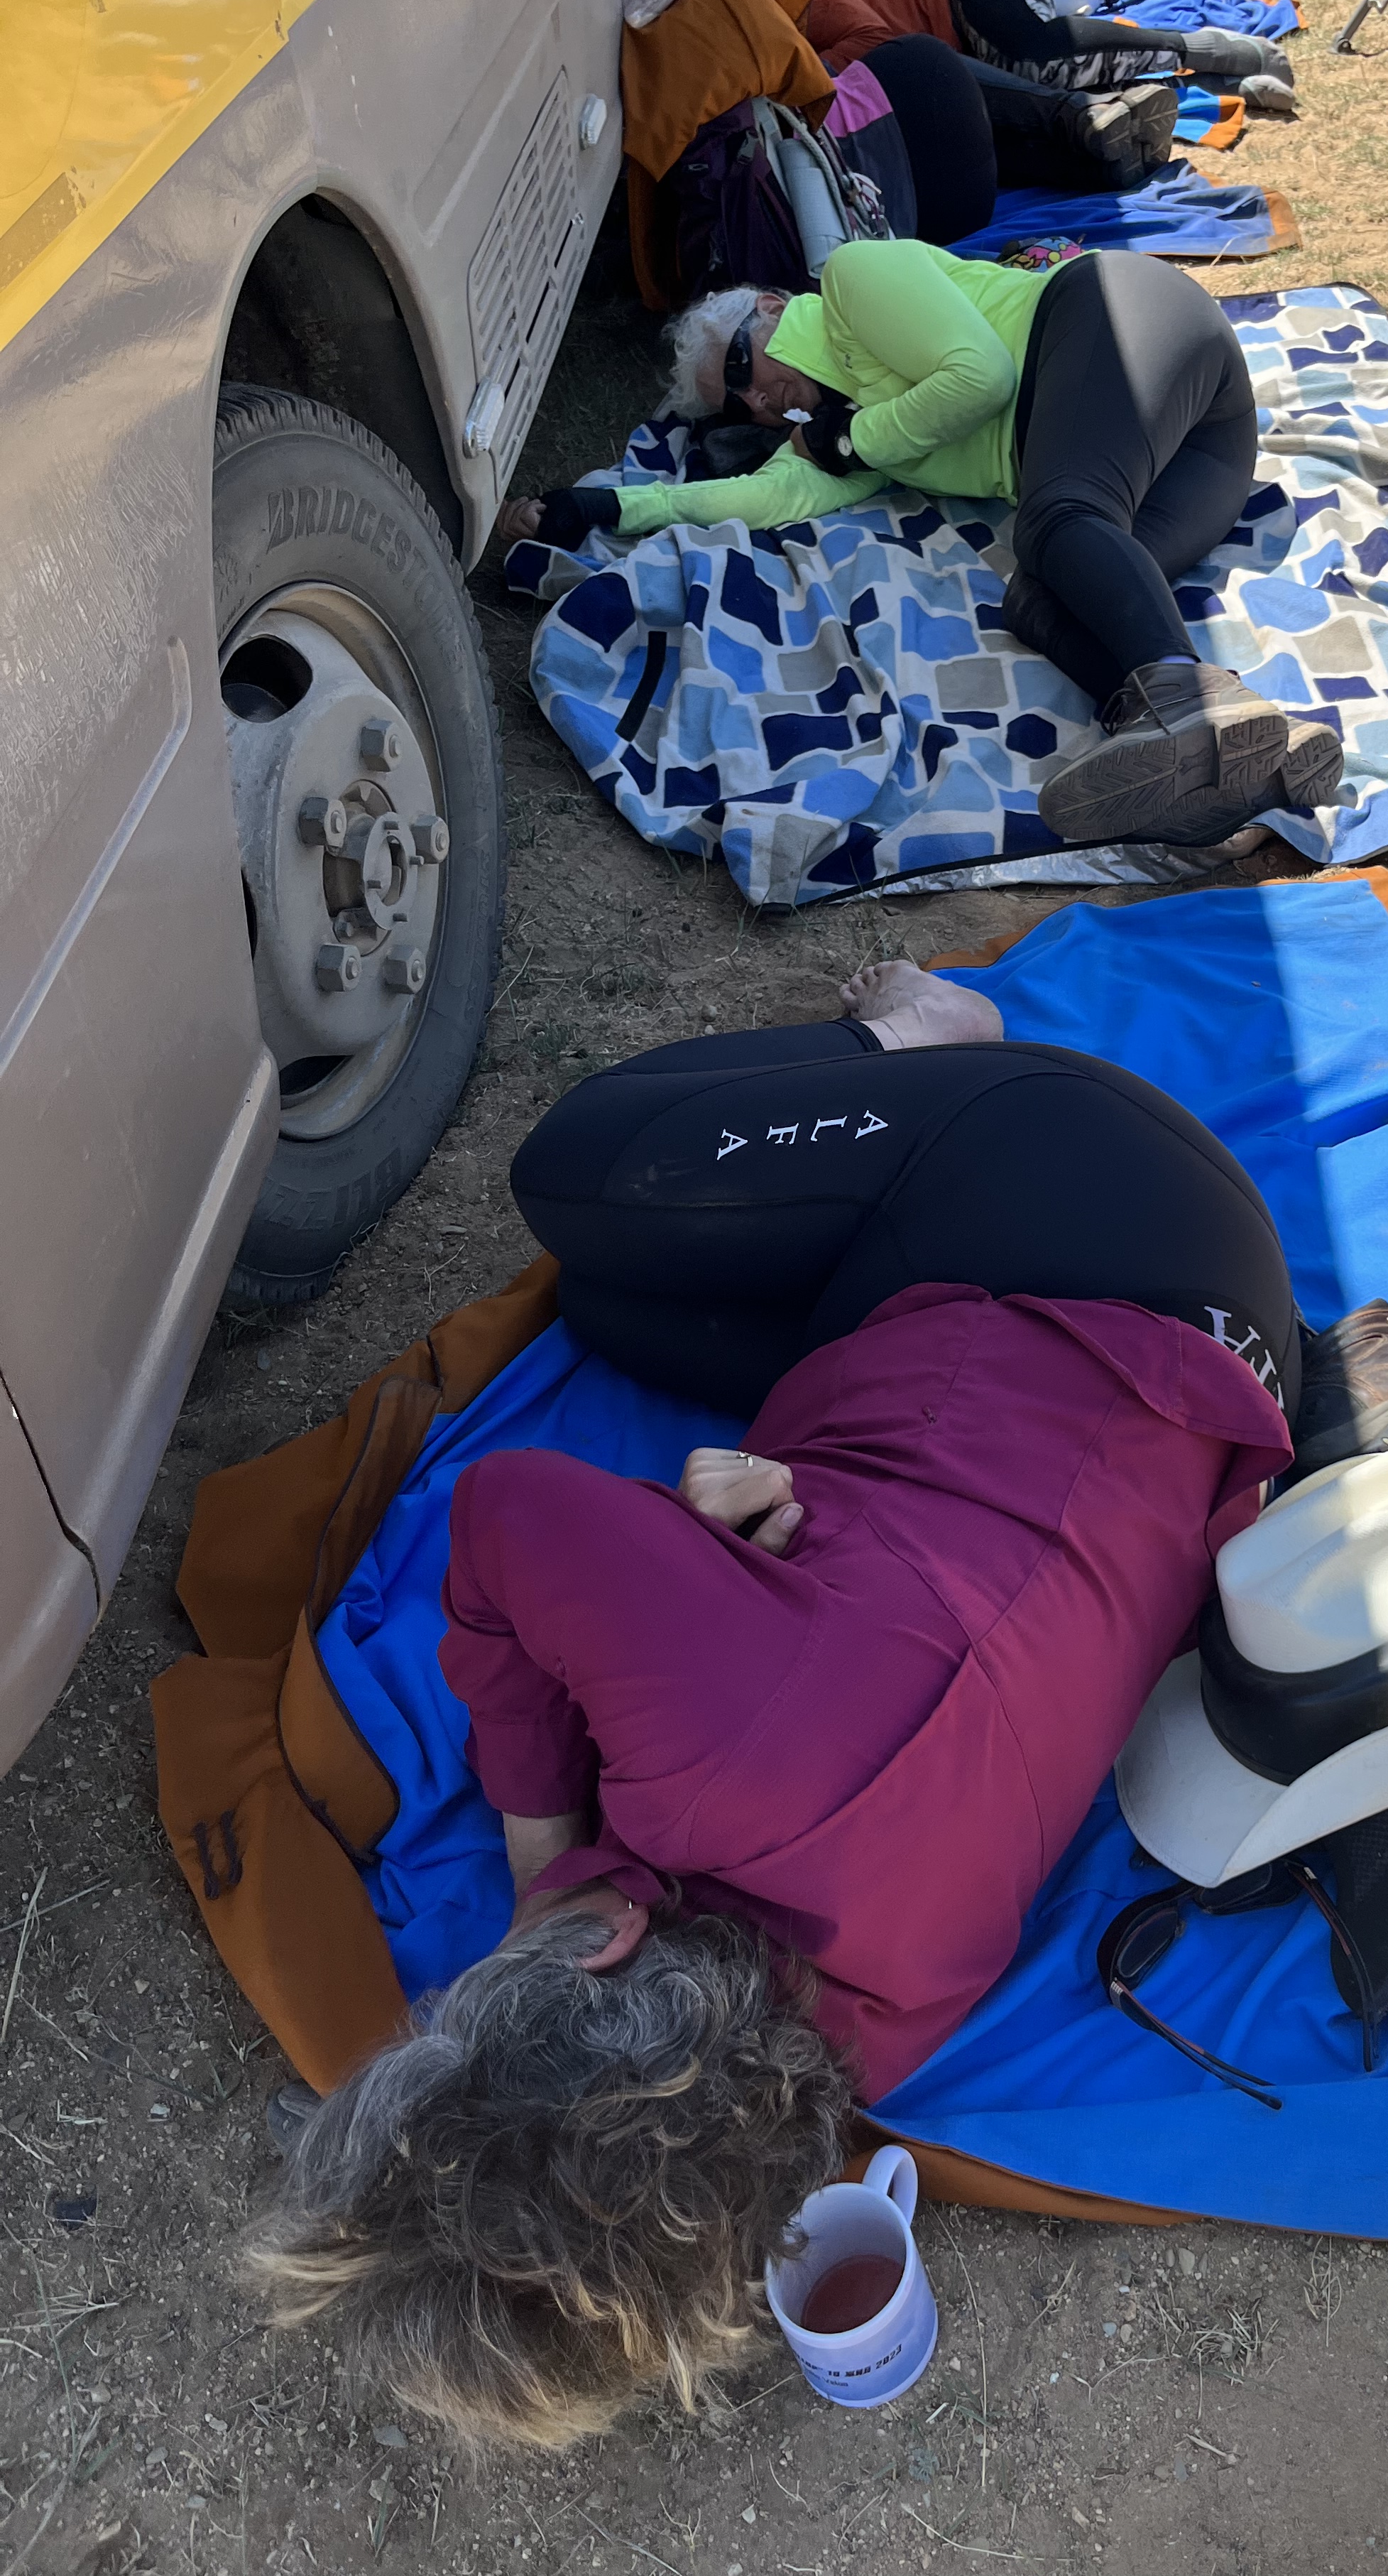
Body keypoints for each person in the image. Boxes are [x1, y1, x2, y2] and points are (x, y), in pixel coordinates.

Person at [244, 962, 1301, 2445]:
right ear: (604, 1945)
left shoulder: (870, 2046)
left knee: (609, 1300)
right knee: (579, 1171)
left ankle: (901, 1096)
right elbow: (503, 1517)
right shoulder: (711, 1761)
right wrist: (546, 1849)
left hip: (1207, 1383)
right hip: (1103, 1226)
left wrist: (721, 1590)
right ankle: (927, 1042)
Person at [498, 243, 1343, 847]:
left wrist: (850, 439)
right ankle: (1250, 752)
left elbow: (982, 376)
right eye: (737, 410)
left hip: (1123, 320)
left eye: (745, 371)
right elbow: (768, 496)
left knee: (1054, 524)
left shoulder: (853, 280)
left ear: (771, 309)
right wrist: (607, 506)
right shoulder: (835, 431)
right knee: (1041, 598)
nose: (759, 405)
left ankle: (1184, 712)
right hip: (1188, 452)